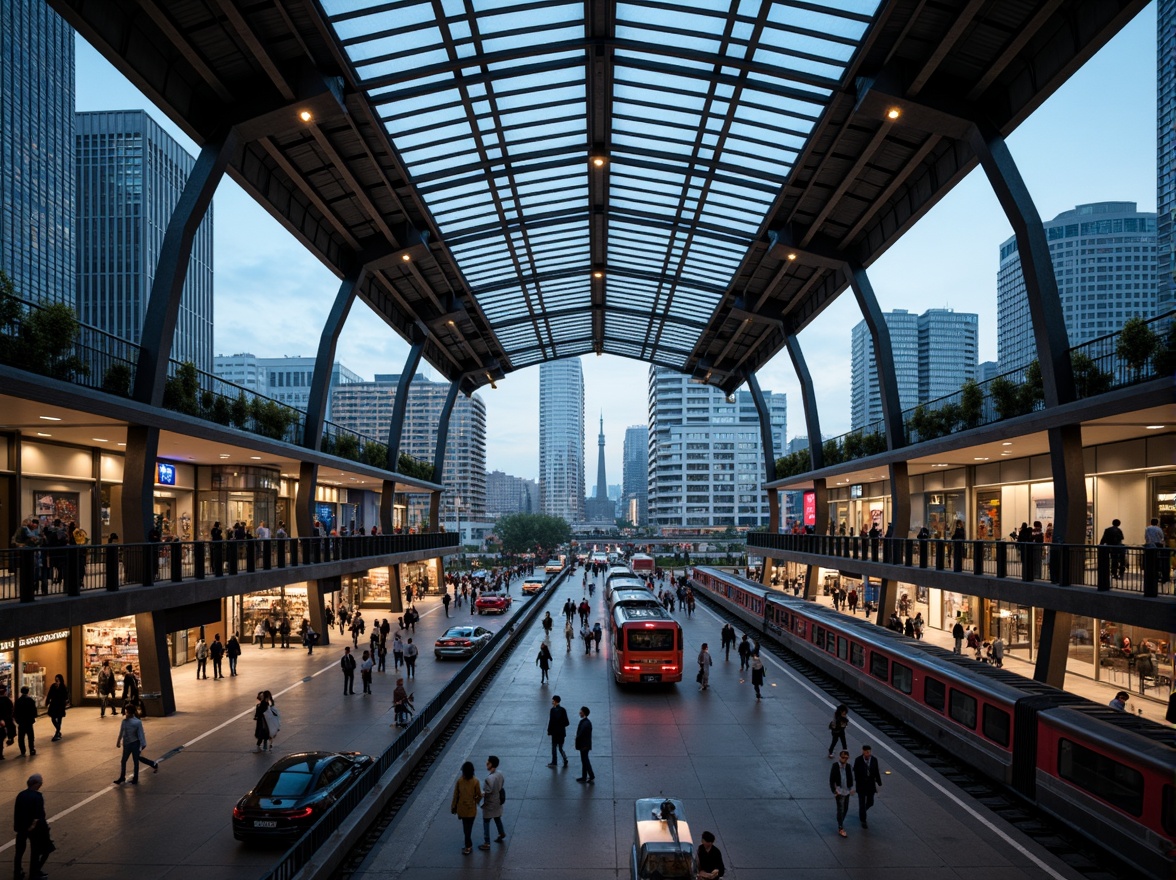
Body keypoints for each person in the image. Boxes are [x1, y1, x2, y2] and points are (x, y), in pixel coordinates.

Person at [13, 773, 49, 880]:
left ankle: (17, 872)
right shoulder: (37, 796)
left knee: (19, 852)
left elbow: (17, 812)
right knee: (36, 852)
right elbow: (39, 815)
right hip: (34, 830)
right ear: (36, 784)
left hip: (21, 828)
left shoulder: (21, 795)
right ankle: (34, 873)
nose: (41, 784)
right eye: (40, 783)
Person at [114, 705, 158, 784]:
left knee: (135, 761)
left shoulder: (136, 722)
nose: (126, 713)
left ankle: (134, 778)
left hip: (134, 743)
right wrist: (118, 741)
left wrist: (143, 744)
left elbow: (140, 734)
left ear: (131, 712)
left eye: (127, 712)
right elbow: (121, 732)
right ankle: (123, 777)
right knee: (126, 760)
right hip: (128, 744)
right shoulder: (125, 721)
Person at [451, 760, 482, 855]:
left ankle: (468, 845)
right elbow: (479, 795)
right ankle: (468, 844)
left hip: (462, 809)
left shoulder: (460, 781)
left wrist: (453, 807)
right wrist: (475, 801)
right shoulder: (476, 781)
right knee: (468, 827)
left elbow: (456, 795)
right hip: (471, 809)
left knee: (466, 828)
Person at [479, 755, 505, 850]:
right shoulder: (500, 774)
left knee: (486, 821)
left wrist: (480, 793)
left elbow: (487, 792)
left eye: (488, 763)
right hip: (497, 801)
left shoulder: (489, 779)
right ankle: (501, 833)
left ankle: (487, 842)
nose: (486, 764)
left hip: (489, 804)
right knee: (497, 818)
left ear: (492, 765)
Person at [852, 745, 882, 828]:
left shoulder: (874, 760)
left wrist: (879, 782)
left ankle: (863, 811)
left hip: (870, 785)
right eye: (866, 752)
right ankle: (863, 820)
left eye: (869, 752)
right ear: (863, 752)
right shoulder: (858, 760)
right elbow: (856, 773)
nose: (867, 754)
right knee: (861, 803)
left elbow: (876, 772)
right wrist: (857, 785)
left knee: (870, 802)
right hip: (861, 786)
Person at [829, 750, 855, 838]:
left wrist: (851, 788)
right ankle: (840, 827)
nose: (844, 759)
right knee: (840, 809)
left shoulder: (848, 766)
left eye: (846, 758)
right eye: (843, 757)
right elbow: (831, 779)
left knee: (846, 808)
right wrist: (834, 790)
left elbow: (850, 778)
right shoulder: (835, 766)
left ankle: (840, 821)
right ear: (840, 757)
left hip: (846, 791)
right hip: (839, 791)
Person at [546, 695, 570, 767]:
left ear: (555, 701)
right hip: (561, 732)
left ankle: (554, 761)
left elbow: (551, 721)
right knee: (560, 747)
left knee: (554, 747)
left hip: (555, 732)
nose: (552, 702)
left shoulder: (552, 710)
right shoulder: (563, 710)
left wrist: (549, 730)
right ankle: (565, 759)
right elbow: (567, 722)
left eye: (553, 700)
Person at [14, 686, 37, 756]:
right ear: (28, 692)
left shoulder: (18, 701)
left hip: (21, 722)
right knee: (30, 736)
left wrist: (17, 720)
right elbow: (34, 711)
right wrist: (33, 717)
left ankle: (23, 751)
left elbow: (15, 712)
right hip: (29, 722)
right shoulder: (30, 700)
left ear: (21, 692)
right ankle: (32, 749)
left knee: (21, 737)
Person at [574, 706, 594, 783]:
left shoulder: (585, 724)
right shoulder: (586, 722)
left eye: (581, 711)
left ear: (584, 713)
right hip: (585, 745)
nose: (579, 712)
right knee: (584, 760)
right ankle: (584, 776)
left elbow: (581, 735)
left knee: (585, 760)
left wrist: (577, 738)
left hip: (584, 745)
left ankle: (590, 775)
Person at [45, 674, 68, 742]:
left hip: (60, 704)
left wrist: (65, 702)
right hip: (54, 704)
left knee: (59, 718)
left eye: (58, 680)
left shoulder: (63, 687)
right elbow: (49, 694)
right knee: (53, 718)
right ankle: (58, 730)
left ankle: (57, 732)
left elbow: (65, 696)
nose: (56, 681)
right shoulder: (53, 686)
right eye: (56, 679)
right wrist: (47, 701)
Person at [0, 685, 14, 759]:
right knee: (1, 737)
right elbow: (11, 710)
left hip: (2, 721)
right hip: (6, 720)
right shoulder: (7, 700)